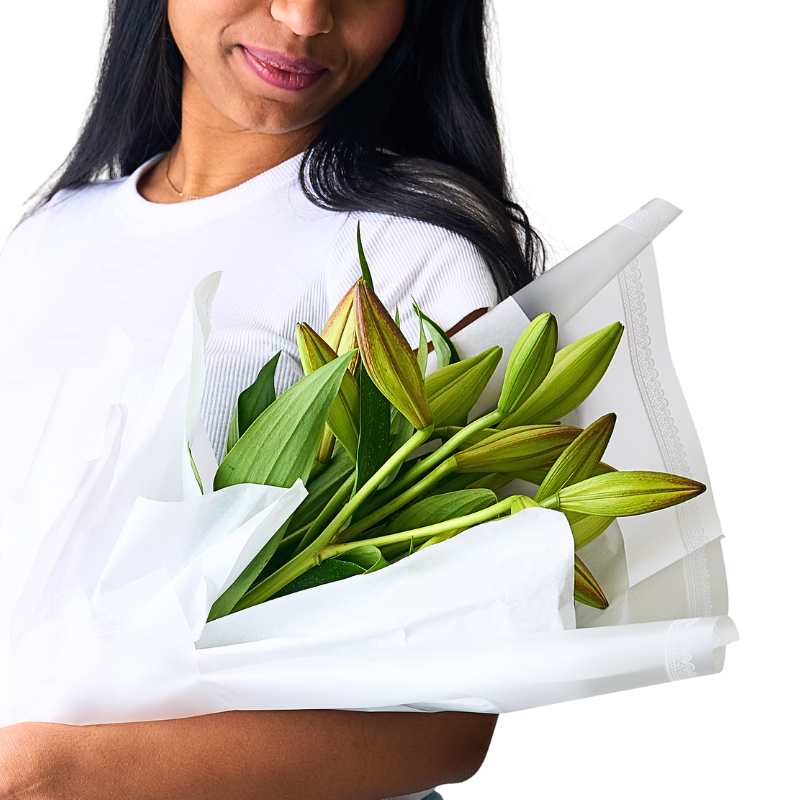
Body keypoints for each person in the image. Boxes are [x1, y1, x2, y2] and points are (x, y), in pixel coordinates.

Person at [0, 1, 546, 798]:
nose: (304, 19)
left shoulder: (416, 258)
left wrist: (51, 775)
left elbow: (447, 725)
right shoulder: (51, 236)